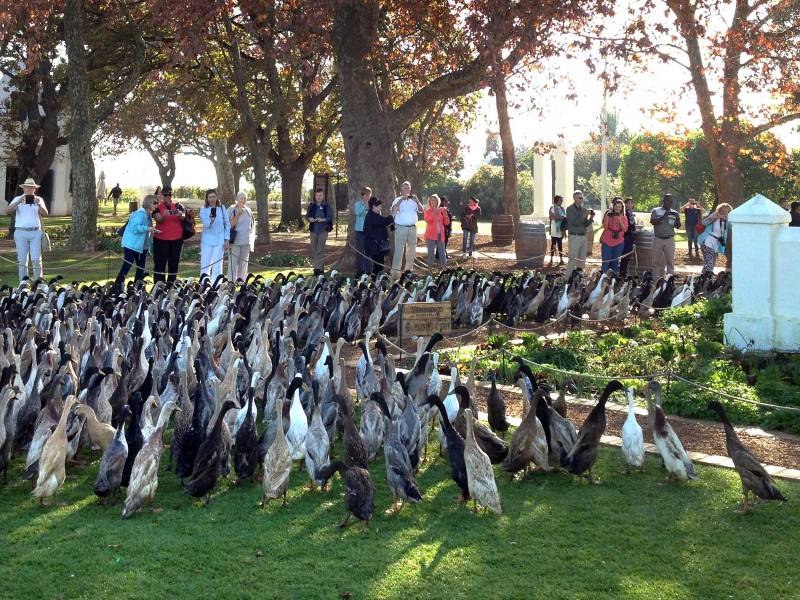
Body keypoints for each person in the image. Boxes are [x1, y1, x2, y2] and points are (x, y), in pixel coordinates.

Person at [5, 177, 48, 282]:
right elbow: (7, 211)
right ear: (23, 188)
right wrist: (18, 202)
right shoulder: (18, 199)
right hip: (21, 232)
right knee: (22, 261)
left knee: (36, 259)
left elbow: (45, 213)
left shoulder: (39, 199)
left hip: (35, 232)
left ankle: (39, 282)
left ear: (34, 189)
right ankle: (23, 283)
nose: (29, 189)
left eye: (31, 187)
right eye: (27, 187)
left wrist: (38, 204)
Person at [114, 194, 158, 288]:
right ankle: (117, 286)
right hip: (132, 245)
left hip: (142, 247)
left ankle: (137, 287)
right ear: (148, 202)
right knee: (127, 266)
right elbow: (134, 228)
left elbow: (146, 231)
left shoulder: (148, 215)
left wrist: (151, 233)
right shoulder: (140, 214)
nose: (156, 205)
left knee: (141, 268)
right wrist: (148, 228)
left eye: (157, 203)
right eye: (154, 203)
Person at [151, 186, 186, 283]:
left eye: (170, 194)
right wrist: (164, 215)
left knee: (174, 264)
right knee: (160, 264)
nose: (168, 196)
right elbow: (158, 219)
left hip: (177, 239)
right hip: (161, 239)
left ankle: (171, 284)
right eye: (165, 194)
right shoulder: (157, 206)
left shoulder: (178, 205)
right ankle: (159, 285)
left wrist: (180, 214)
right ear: (161, 195)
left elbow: (183, 216)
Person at [390, 181, 424, 276]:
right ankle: (395, 273)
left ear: (410, 189)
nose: (407, 190)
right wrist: (402, 199)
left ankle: (408, 272)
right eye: (405, 188)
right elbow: (393, 210)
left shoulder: (414, 200)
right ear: (401, 190)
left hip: (412, 228)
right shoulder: (397, 200)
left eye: (408, 188)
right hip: (400, 228)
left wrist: (417, 201)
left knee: (411, 250)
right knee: (399, 250)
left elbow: (421, 210)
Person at [199, 189, 230, 280]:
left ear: (217, 197)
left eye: (214, 196)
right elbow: (206, 225)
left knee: (217, 265)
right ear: (207, 198)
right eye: (210, 197)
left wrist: (226, 239)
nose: (212, 199)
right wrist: (211, 220)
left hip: (220, 240)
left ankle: (216, 285)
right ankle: (204, 284)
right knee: (205, 264)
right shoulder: (203, 210)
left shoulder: (222, 208)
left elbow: (227, 224)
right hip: (207, 241)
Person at [650, 193, 681, 279]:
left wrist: (677, 218)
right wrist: (664, 216)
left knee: (670, 262)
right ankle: (655, 280)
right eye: (668, 201)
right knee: (655, 262)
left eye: (671, 201)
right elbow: (653, 222)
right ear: (663, 201)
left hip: (669, 239)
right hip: (658, 239)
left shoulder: (674, 213)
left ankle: (668, 281)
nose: (670, 203)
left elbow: (678, 226)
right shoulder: (656, 211)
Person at [565, 190, 594, 276]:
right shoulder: (569, 209)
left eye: (582, 198)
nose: (581, 199)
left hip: (583, 237)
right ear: (574, 198)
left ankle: (578, 278)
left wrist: (591, 218)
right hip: (574, 236)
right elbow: (575, 223)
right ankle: (568, 278)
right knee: (572, 259)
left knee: (582, 259)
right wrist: (584, 215)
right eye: (579, 198)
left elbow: (585, 224)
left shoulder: (583, 209)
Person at [228, 191, 256, 281]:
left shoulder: (248, 210)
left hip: (246, 242)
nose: (243, 200)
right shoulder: (231, 209)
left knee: (243, 265)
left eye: (245, 198)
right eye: (241, 198)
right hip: (235, 242)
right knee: (233, 264)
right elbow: (229, 225)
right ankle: (231, 282)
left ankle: (241, 282)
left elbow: (252, 226)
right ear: (237, 199)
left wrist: (251, 241)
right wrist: (238, 214)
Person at [363, 197, 394, 275]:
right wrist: (392, 215)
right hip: (373, 245)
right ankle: (374, 279)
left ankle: (376, 279)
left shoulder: (375, 215)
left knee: (379, 265)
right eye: (379, 206)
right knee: (377, 266)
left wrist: (391, 222)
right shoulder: (371, 216)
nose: (381, 208)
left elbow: (383, 221)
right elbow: (383, 222)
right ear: (373, 206)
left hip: (377, 245)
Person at [698, 203, 732, 274]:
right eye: (723, 211)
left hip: (716, 243)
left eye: (727, 211)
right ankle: (706, 277)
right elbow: (704, 223)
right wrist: (713, 217)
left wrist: (726, 218)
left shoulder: (728, 221)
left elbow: (732, 226)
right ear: (719, 211)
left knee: (711, 263)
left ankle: (704, 278)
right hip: (707, 241)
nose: (725, 212)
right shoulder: (715, 216)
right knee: (709, 263)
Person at [306, 187, 333, 275]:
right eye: (317, 195)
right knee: (314, 250)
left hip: (323, 230)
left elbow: (330, 217)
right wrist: (310, 219)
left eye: (320, 195)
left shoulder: (326, 206)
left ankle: (317, 269)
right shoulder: (312, 205)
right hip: (313, 230)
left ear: (323, 196)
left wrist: (323, 219)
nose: (318, 197)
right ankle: (320, 268)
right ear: (315, 196)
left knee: (320, 250)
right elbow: (307, 216)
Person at [599, 197, 629, 274]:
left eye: (619, 207)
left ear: (622, 208)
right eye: (616, 206)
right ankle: (604, 278)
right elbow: (605, 226)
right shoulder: (609, 214)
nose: (617, 208)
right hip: (607, 241)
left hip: (618, 243)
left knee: (615, 263)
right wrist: (608, 216)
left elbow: (625, 229)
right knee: (606, 262)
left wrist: (619, 219)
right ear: (613, 207)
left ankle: (613, 279)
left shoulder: (624, 217)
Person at [424, 194, 450, 270]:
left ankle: (444, 268)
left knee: (442, 251)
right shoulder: (427, 211)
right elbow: (427, 220)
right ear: (429, 202)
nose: (433, 202)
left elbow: (447, 223)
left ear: (438, 202)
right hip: (430, 235)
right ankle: (430, 268)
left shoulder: (441, 210)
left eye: (435, 200)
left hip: (440, 235)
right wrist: (434, 212)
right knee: (431, 252)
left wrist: (445, 214)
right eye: (432, 200)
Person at [353, 186, 371, 275]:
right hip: (359, 230)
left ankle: (368, 271)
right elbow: (357, 213)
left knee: (368, 251)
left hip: (369, 231)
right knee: (360, 251)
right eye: (365, 195)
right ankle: (360, 271)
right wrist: (365, 206)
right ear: (362, 195)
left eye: (369, 195)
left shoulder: (373, 204)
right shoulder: (358, 204)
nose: (367, 196)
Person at [619, 197, 637, 276]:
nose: (630, 204)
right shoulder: (624, 213)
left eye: (631, 203)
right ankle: (622, 273)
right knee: (625, 255)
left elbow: (632, 225)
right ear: (625, 204)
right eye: (628, 203)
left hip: (631, 237)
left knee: (627, 256)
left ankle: (624, 272)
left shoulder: (631, 213)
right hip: (626, 237)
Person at [548, 195, 566, 265]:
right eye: (560, 200)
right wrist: (559, 217)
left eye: (562, 200)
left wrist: (558, 217)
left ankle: (561, 260)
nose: (561, 201)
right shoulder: (552, 208)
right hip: (554, 228)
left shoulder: (562, 208)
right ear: (556, 200)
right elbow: (552, 217)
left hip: (561, 228)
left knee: (560, 244)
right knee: (553, 244)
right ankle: (551, 260)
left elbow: (564, 217)